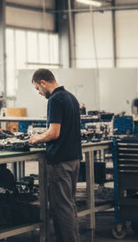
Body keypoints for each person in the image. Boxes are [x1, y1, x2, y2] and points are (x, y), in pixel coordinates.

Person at [29, 68, 82, 242]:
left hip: (60, 160)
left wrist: (37, 138)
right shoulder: (71, 98)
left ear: (43, 82)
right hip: (73, 159)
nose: (39, 92)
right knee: (69, 204)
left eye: (38, 88)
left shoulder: (55, 99)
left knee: (61, 208)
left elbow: (54, 133)